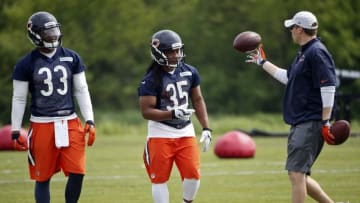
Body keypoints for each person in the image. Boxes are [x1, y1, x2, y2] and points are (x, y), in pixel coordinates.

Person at [246, 11, 338, 203]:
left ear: (299, 29)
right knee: (300, 175)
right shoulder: (305, 52)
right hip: (302, 121)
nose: (291, 32)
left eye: (292, 28)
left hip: (310, 121)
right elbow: (289, 78)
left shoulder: (316, 52)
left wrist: (326, 121)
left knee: (296, 174)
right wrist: (263, 63)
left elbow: (328, 86)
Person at [11, 11, 95, 203]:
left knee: (77, 171)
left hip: (70, 121)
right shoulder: (25, 64)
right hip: (42, 124)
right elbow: (19, 98)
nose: (53, 35)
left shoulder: (72, 57)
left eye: (55, 30)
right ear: (36, 35)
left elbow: (81, 90)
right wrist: (16, 129)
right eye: (47, 32)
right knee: (43, 176)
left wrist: (89, 118)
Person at [138, 29, 212, 203]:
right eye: (172, 51)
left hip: (185, 130)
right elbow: (146, 112)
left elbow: (198, 100)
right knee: (159, 179)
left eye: (178, 50)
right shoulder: (150, 79)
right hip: (160, 133)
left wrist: (206, 127)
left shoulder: (190, 71)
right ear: (159, 53)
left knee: (193, 175)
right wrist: (172, 113)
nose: (177, 55)